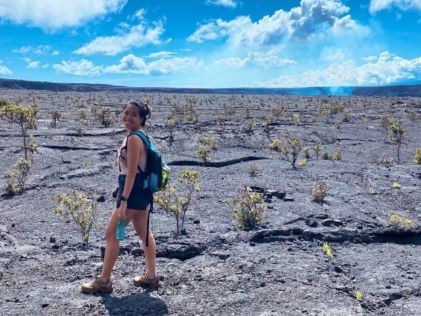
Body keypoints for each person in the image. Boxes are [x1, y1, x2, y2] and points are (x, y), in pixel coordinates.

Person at [81, 100, 159, 294]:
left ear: (142, 118)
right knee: (144, 234)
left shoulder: (134, 139)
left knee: (111, 235)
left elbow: (131, 173)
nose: (128, 117)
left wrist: (123, 201)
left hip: (131, 192)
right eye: (126, 113)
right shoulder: (141, 136)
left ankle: (104, 281)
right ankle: (151, 277)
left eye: (133, 114)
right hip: (143, 191)